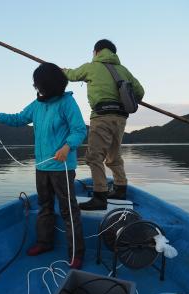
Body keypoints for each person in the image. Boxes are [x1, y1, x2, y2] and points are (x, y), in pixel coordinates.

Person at [0, 63, 87, 268]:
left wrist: (67, 147)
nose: (37, 88)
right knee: (45, 207)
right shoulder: (37, 105)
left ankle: (76, 253)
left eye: (39, 85)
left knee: (68, 210)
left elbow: (79, 130)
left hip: (62, 168)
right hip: (42, 167)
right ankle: (44, 243)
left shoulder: (68, 103)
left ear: (50, 85)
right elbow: (20, 118)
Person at [63, 39, 144, 210]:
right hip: (121, 118)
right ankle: (120, 188)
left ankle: (100, 197)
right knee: (114, 155)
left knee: (94, 157)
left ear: (97, 51)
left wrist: (60, 71)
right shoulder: (124, 70)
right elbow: (140, 92)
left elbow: (71, 75)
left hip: (102, 117)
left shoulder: (91, 67)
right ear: (113, 53)